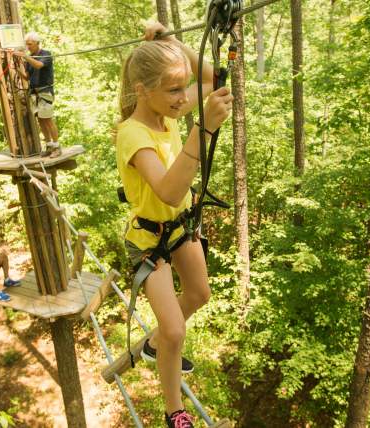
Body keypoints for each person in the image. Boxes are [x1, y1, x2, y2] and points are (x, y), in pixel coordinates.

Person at [115, 22, 233, 428]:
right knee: (175, 329)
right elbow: (166, 190)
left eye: (184, 89)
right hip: (149, 240)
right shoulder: (132, 133)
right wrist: (204, 130)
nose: (185, 98)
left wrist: (169, 41)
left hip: (181, 228)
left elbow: (211, 77)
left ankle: (153, 343)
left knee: (200, 294)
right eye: (174, 90)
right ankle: (174, 412)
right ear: (142, 91)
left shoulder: (170, 109)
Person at [14, 32, 61, 158]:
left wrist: (25, 56)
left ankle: (57, 147)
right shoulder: (29, 58)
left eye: (30, 44)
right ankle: (49, 145)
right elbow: (28, 76)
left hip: (45, 92)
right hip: (35, 93)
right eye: (27, 44)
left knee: (48, 120)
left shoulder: (45, 54)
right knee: (41, 120)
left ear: (37, 43)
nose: (28, 47)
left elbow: (39, 65)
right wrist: (18, 70)